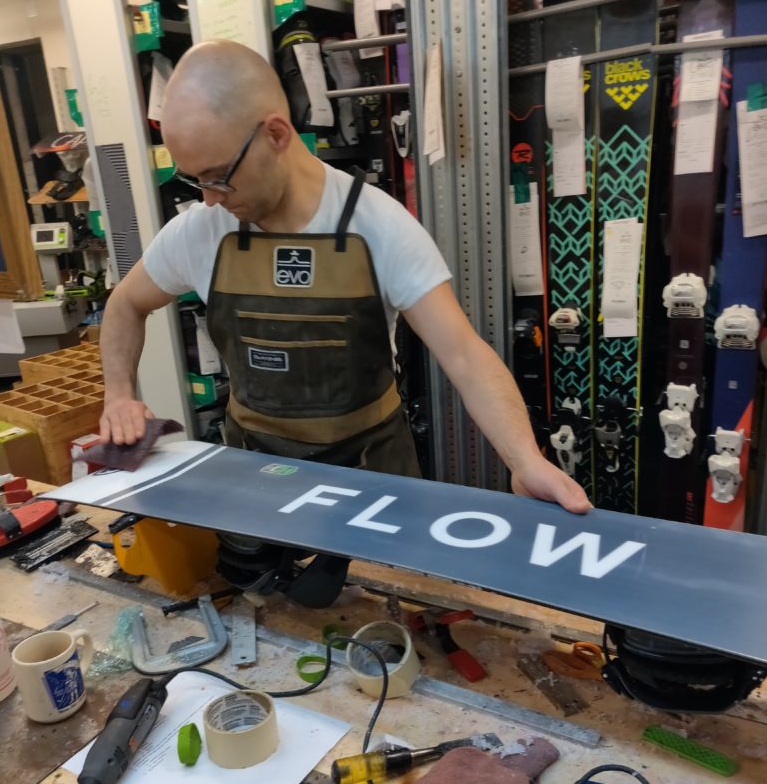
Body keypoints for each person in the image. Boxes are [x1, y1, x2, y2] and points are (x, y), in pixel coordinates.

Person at [99, 40, 590, 524]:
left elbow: (464, 354)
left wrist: (525, 460)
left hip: (371, 477)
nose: (208, 199)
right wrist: (119, 394)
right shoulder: (202, 229)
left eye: (218, 177)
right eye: (196, 182)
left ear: (275, 133)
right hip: (255, 474)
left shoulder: (378, 225)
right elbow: (125, 304)